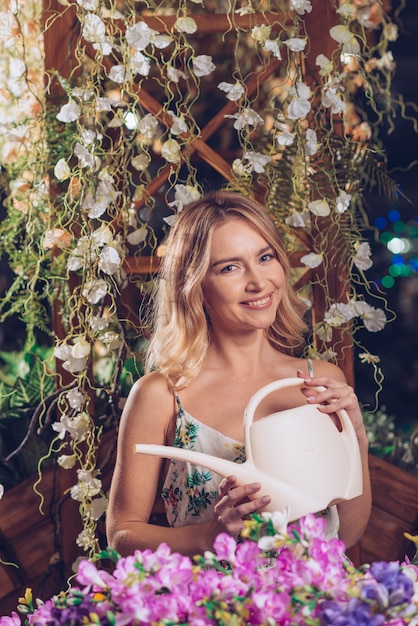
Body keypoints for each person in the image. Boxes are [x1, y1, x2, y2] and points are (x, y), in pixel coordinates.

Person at [106, 190, 371, 557]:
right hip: (213, 607)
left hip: (311, 605)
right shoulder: (162, 395)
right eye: (229, 267)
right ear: (195, 286)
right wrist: (207, 536)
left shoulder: (318, 381)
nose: (259, 282)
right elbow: (122, 534)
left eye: (265, 258)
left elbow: (346, 535)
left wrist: (355, 433)